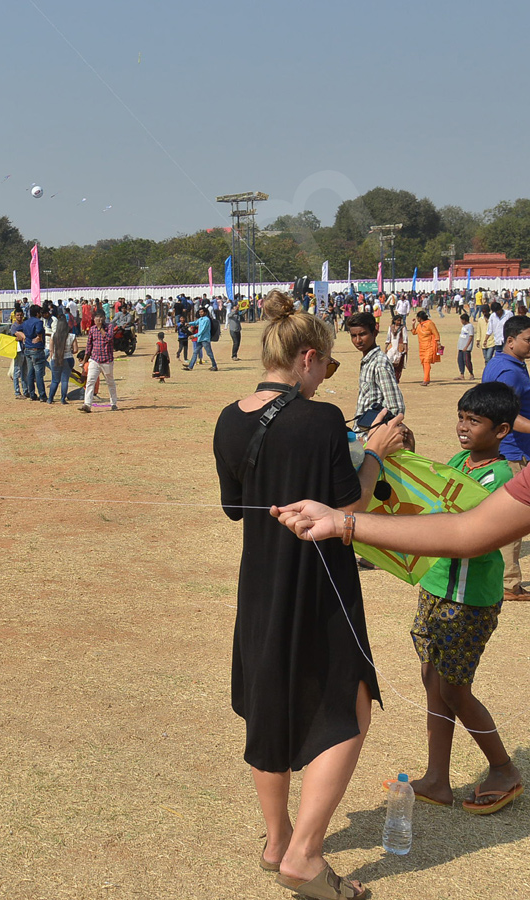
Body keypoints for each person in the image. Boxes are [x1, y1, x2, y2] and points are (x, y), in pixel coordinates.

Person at [213, 289, 406, 900]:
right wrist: (373, 452)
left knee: (269, 700)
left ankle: (276, 842)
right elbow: (348, 504)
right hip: (321, 580)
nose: (327, 375)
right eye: (326, 364)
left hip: (262, 582)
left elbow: (232, 507)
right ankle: (305, 854)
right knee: (351, 706)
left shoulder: (229, 417)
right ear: (305, 358)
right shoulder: (319, 418)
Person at [401, 383, 522, 813]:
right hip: (436, 588)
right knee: (433, 681)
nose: (463, 427)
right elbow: (433, 493)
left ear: (502, 430)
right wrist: (406, 453)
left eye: (475, 421)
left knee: (455, 690)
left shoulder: (502, 476)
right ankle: (437, 779)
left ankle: (503, 767)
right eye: (461, 417)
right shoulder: (458, 461)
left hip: (470, 600)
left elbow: (464, 525)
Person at [481, 314, 530, 600]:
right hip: (515, 451)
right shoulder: (510, 372)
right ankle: (509, 583)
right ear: (510, 341)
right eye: (527, 340)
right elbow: (506, 414)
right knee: (515, 519)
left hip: (510, 448)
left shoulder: (500, 363)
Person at [346, 312, 405, 423]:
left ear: (374, 333)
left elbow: (396, 407)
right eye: (354, 336)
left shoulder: (379, 363)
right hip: (362, 432)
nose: (358, 340)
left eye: (363, 334)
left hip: (372, 435)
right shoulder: (368, 361)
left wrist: (378, 432)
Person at [79, 309, 117, 413]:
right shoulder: (92, 329)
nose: (98, 319)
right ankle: (87, 404)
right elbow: (89, 346)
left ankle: (113, 403)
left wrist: (101, 329)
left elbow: (109, 338)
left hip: (107, 360)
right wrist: (84, 361)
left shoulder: (109, 327)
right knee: (90, 381)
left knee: (110, 382)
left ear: (104, 318)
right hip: (94, 360)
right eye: (96, 317)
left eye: (101, 317)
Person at [14, 304, 47, 403]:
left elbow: (17, 330)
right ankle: (42, 395)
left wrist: (24, 337)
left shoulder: (26, 322)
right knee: (38, 374)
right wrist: (39, 336)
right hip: (36, 350)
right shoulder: (38, 322)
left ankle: (32, 394)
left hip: (27, 349)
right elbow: (39, 330)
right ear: (37, 313)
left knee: (30, 372)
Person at [47, 308, 75, 404]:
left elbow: (51, 349)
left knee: (55, 380)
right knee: (65, 380)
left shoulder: (53, 335)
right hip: (68, 358)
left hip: (56, 358)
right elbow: (75, 350)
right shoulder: (71, 336)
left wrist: (52, 357)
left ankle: (50, 398)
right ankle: (63, 399)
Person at [412, 309, 441, 386]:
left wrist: (438, 343)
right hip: (422, 347)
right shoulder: (419, 325)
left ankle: (425, 380)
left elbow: (436, 333)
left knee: (426, 362)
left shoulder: (430, 324)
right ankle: (427, 378)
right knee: (423, 362)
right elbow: (414, 332)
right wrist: (413, 325)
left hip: (430, 345)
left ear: (420, 318)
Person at [384, 313, 408, 383]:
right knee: (390, 362)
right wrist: (386, 347)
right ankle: (391, 377)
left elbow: (405, 339)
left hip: (399, 347)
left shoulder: (403, 328)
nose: (399, 322)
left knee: (398, 363)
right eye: (397, 320)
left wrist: (405, 348)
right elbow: (388, 338)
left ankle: (396, 378)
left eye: (400, 321)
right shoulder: (391, 327)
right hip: (392, 347)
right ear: (394, 321)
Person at [457, 312, 475, 380]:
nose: (461, 321)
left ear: (465, 320)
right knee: (460, 360)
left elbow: (471, 336)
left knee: (467, 361)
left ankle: (471, 374)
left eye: (462, 320)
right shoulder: (464, 326)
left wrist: (466, 346)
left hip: (466, 348)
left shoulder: (470, 326)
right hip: (461, 347)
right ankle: (462, 374)